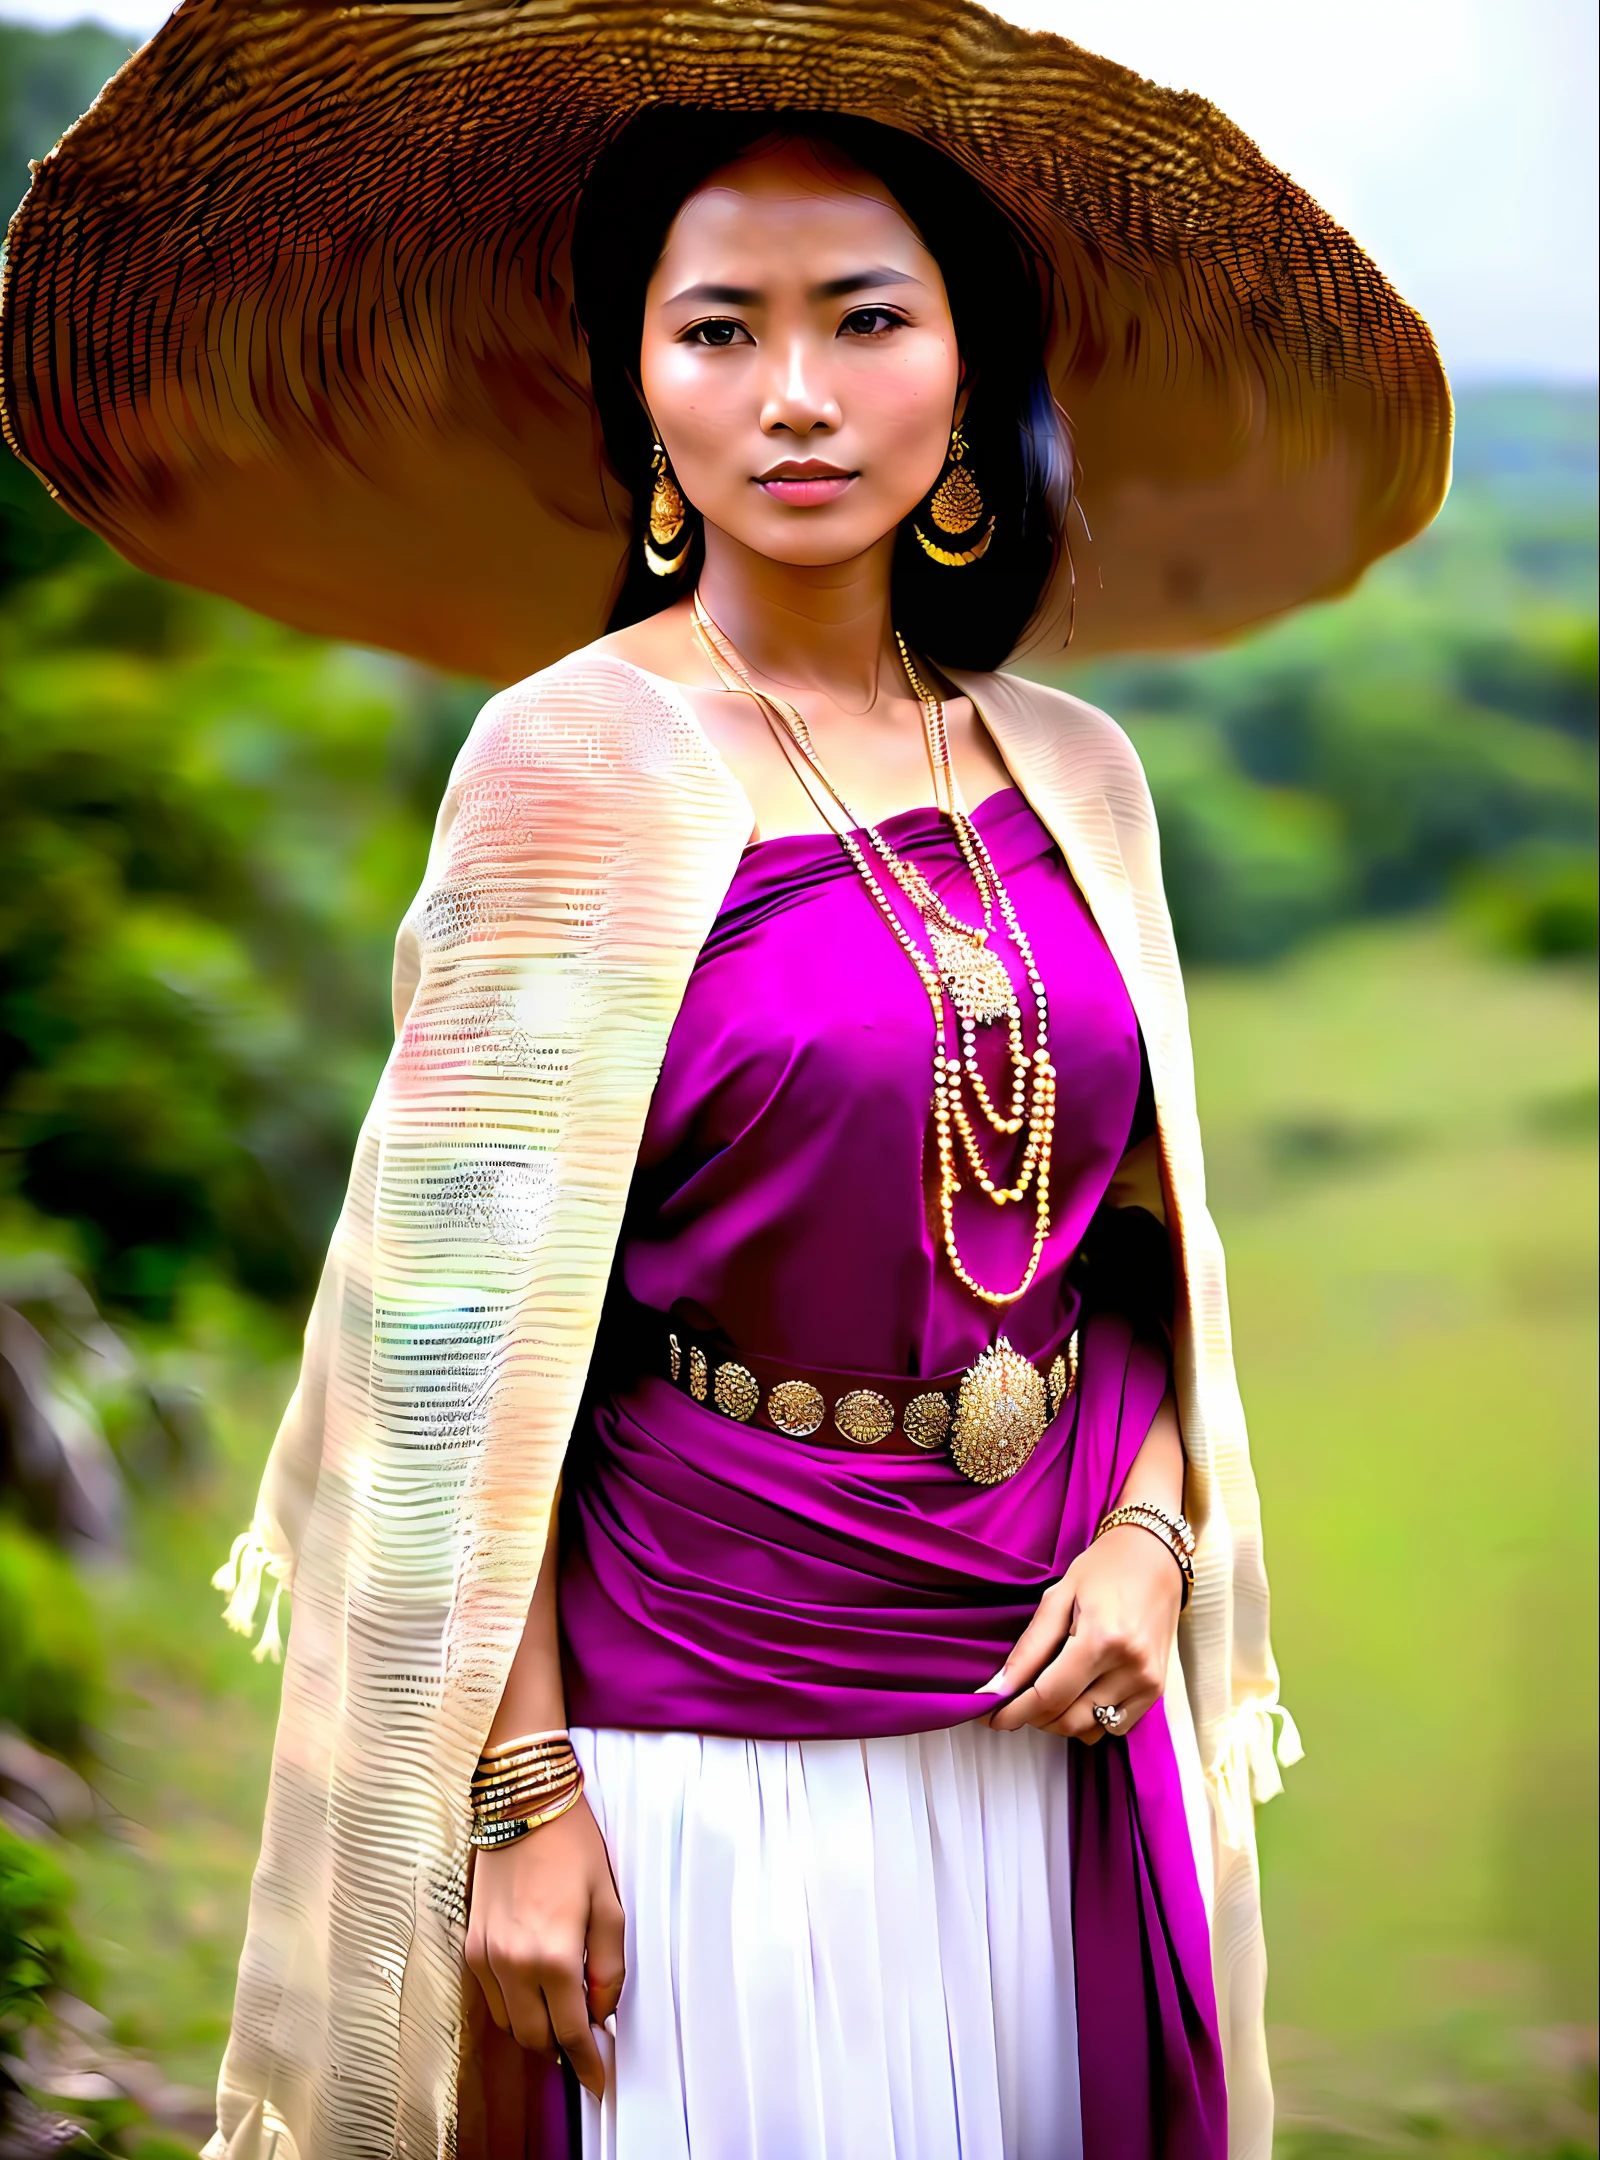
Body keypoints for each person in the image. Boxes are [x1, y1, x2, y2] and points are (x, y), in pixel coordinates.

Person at [0, 6, 1451, 2156]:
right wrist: (516, 1796)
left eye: (864, 318)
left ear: (967, 370)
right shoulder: (572, 761)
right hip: (697, 1729)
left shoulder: (1075, 776)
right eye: (717, 329)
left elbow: (1131, 1253)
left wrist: (1150, 1529)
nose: (793, 394)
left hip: (1046, 1709)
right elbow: (454, 1353)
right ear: (637, 390)